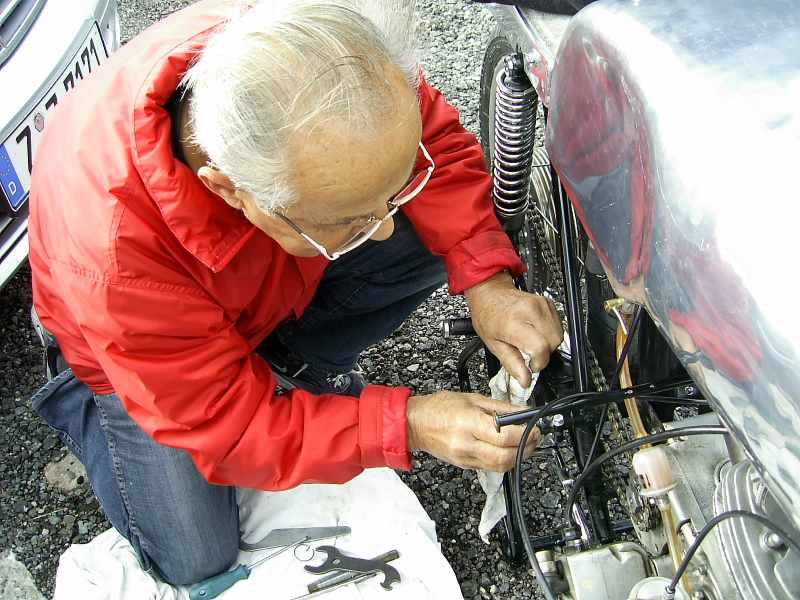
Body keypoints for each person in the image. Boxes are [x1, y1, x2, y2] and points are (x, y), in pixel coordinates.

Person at [27, 0, 562, 586]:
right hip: (128, 349)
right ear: (230, 190)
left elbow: (435, 142)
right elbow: (225, 427)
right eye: (352, 220)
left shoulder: (335, 60)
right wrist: (406, 424)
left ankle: (283, 372)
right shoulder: (114, 256)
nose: (383, 229)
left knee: (423, 231)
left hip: (251, 277)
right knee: (193, 556)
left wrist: (488, 283)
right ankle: (99, 398)